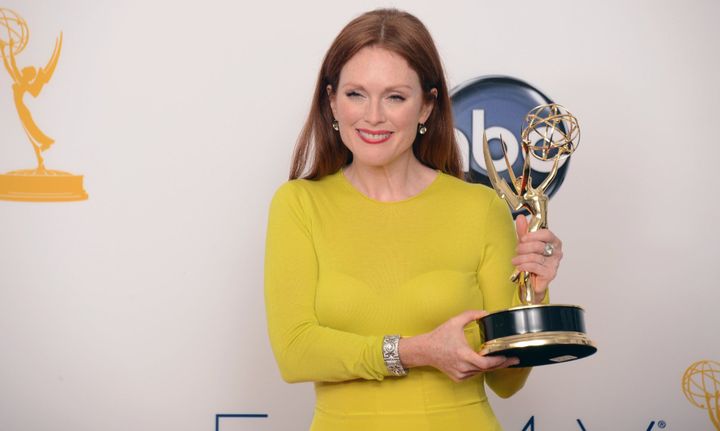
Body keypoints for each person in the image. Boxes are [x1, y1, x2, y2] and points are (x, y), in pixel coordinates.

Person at [264, 8, 564, 430]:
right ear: (331, 100)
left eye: (395, 97)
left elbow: (508, 381)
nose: (373, 116)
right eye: (355, 94)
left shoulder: (480, 208)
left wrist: (533, 292)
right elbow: (295, 353)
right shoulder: (299, 204)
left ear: (426, 106)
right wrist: (417, 350)